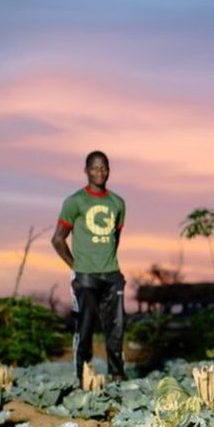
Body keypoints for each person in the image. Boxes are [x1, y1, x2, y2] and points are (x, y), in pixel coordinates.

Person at [51, 151, 127, 385]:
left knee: (116, 326)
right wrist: (77, 267)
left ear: (109, 170)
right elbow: (57, 239)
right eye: (94, 168)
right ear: (86, 171)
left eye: (104, 167)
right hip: (86, 276)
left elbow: (115, 238)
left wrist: (108, 263)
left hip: (112, 274)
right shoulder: (74, 202)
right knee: (84, 327)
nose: (99, 172)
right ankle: (83, 374)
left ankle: (117, 373)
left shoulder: (117, 203)